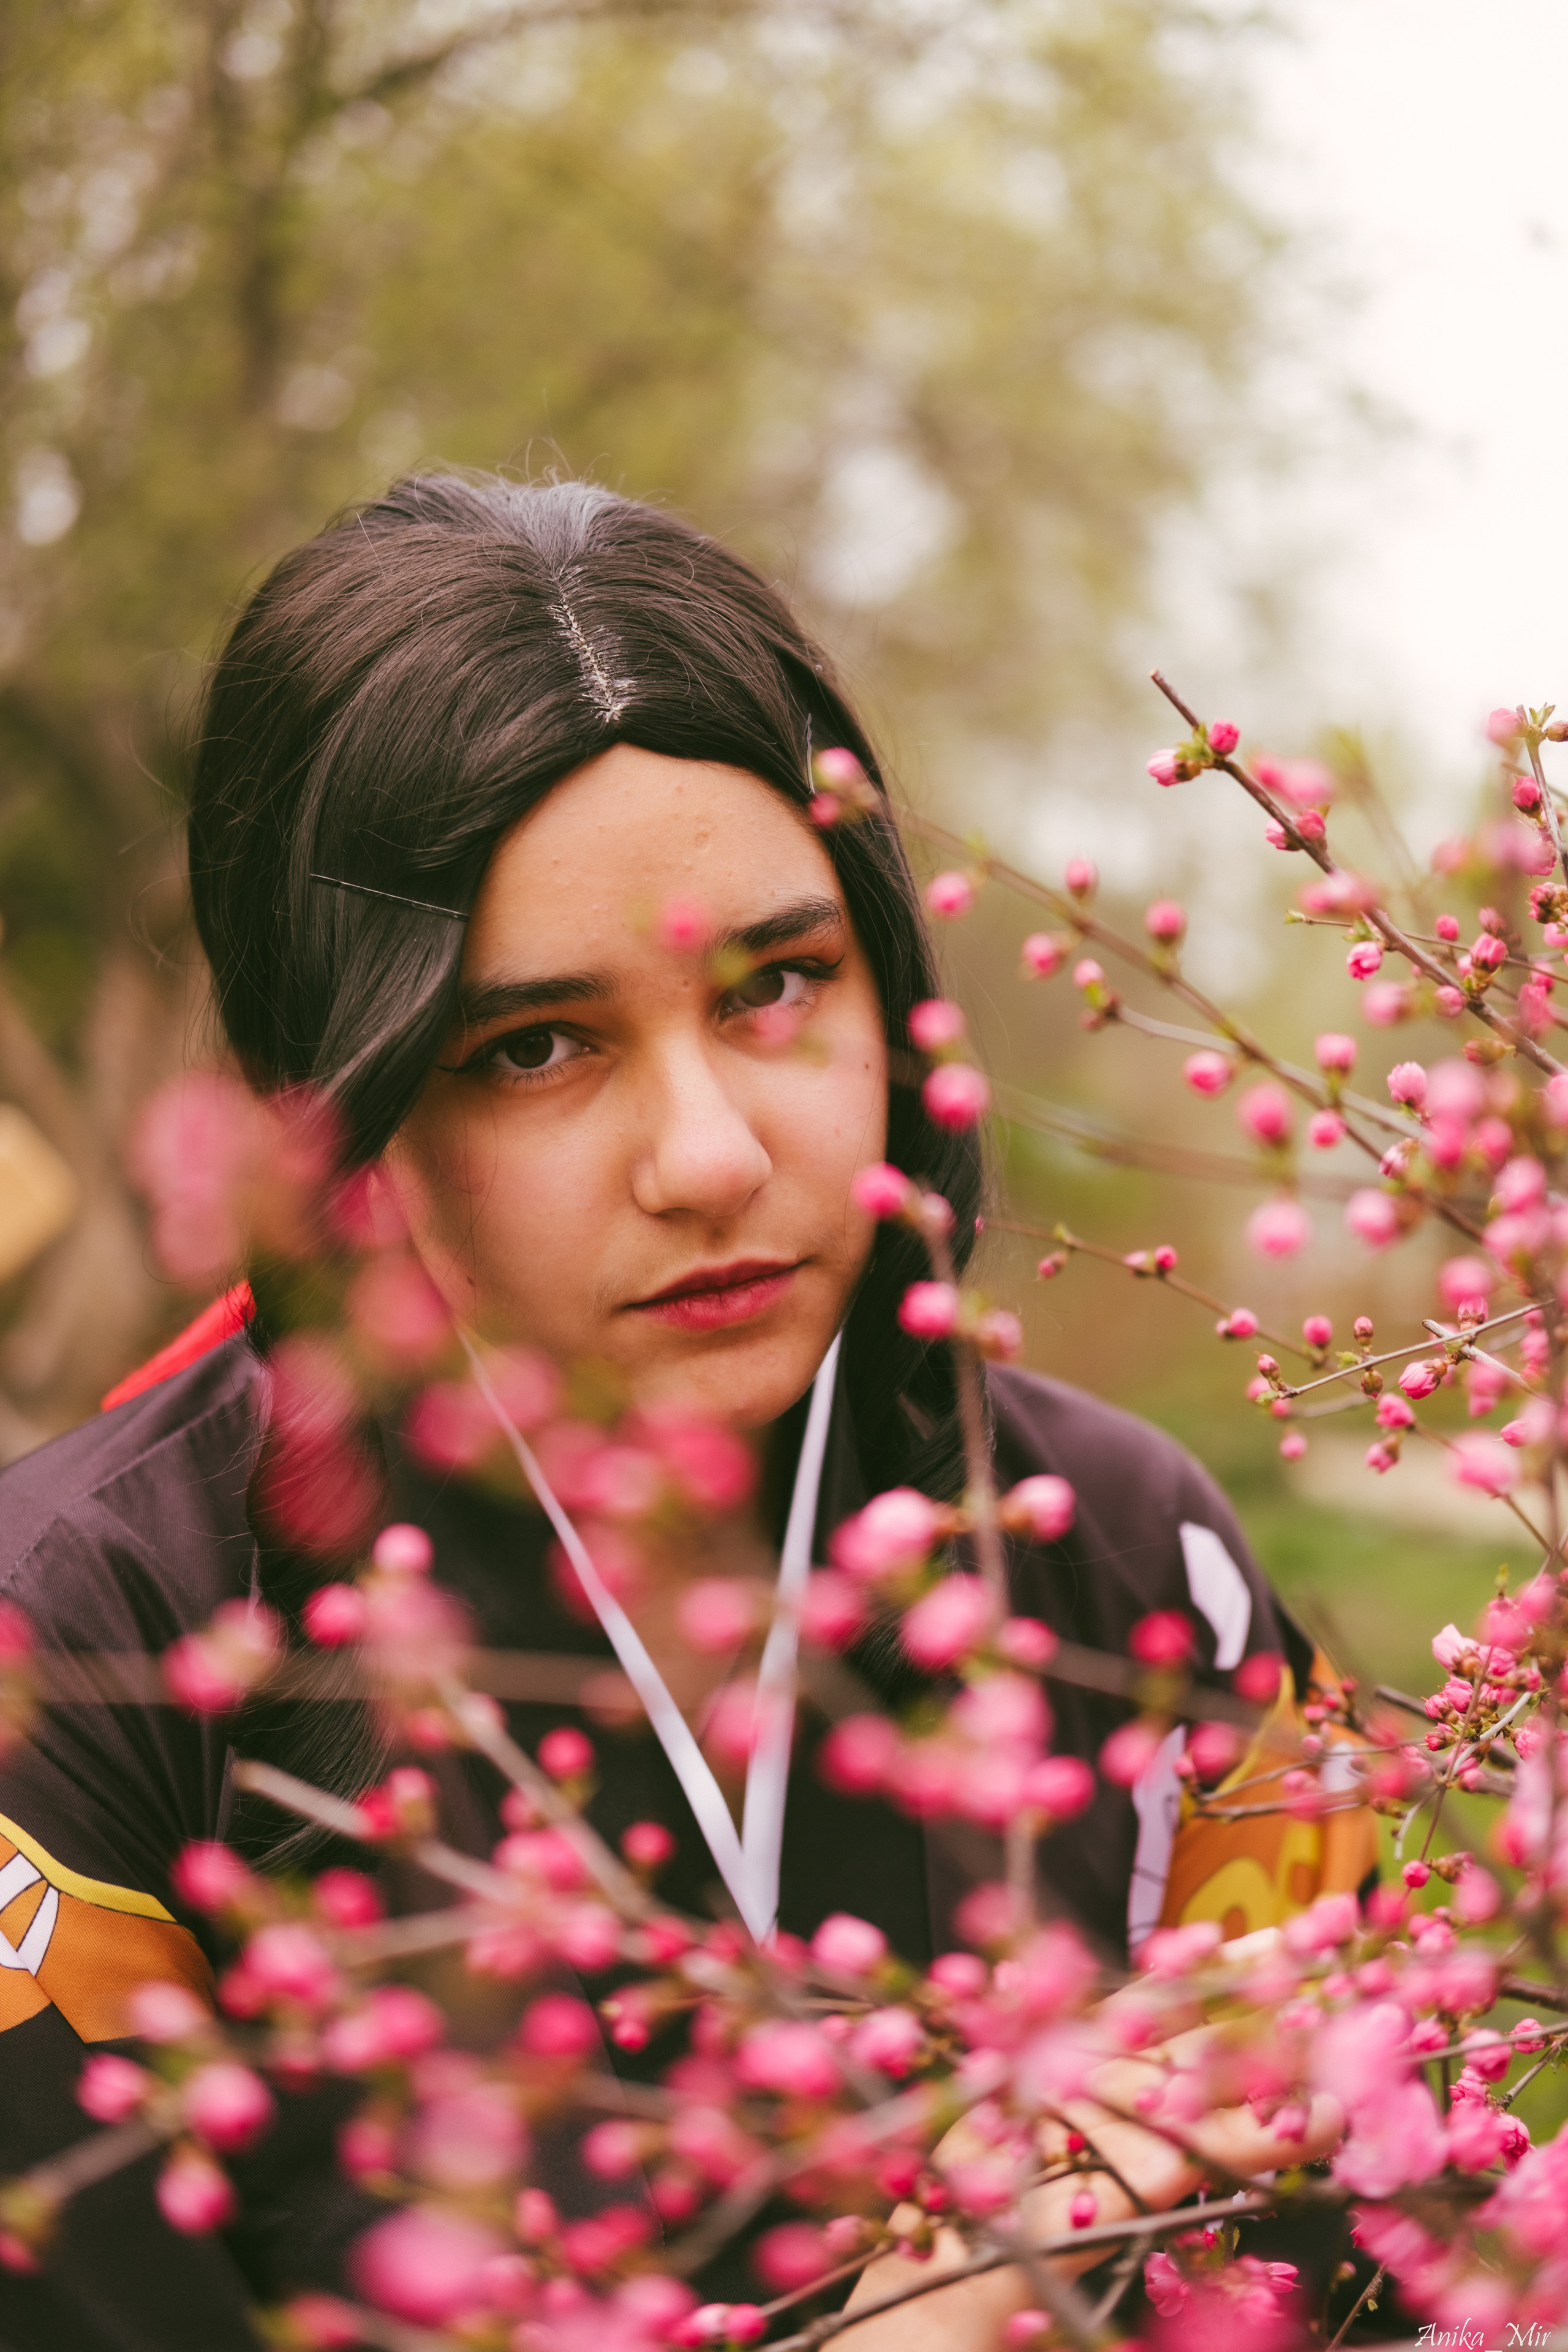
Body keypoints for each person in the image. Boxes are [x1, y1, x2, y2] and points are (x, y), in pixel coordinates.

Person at [0, 475, 1366, 2348]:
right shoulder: (77, 1662)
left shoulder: (1124, 1550)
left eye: (778, 984)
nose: (713, 1157)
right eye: (534, 1048)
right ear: (333, 1098)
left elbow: (1388, 2242)